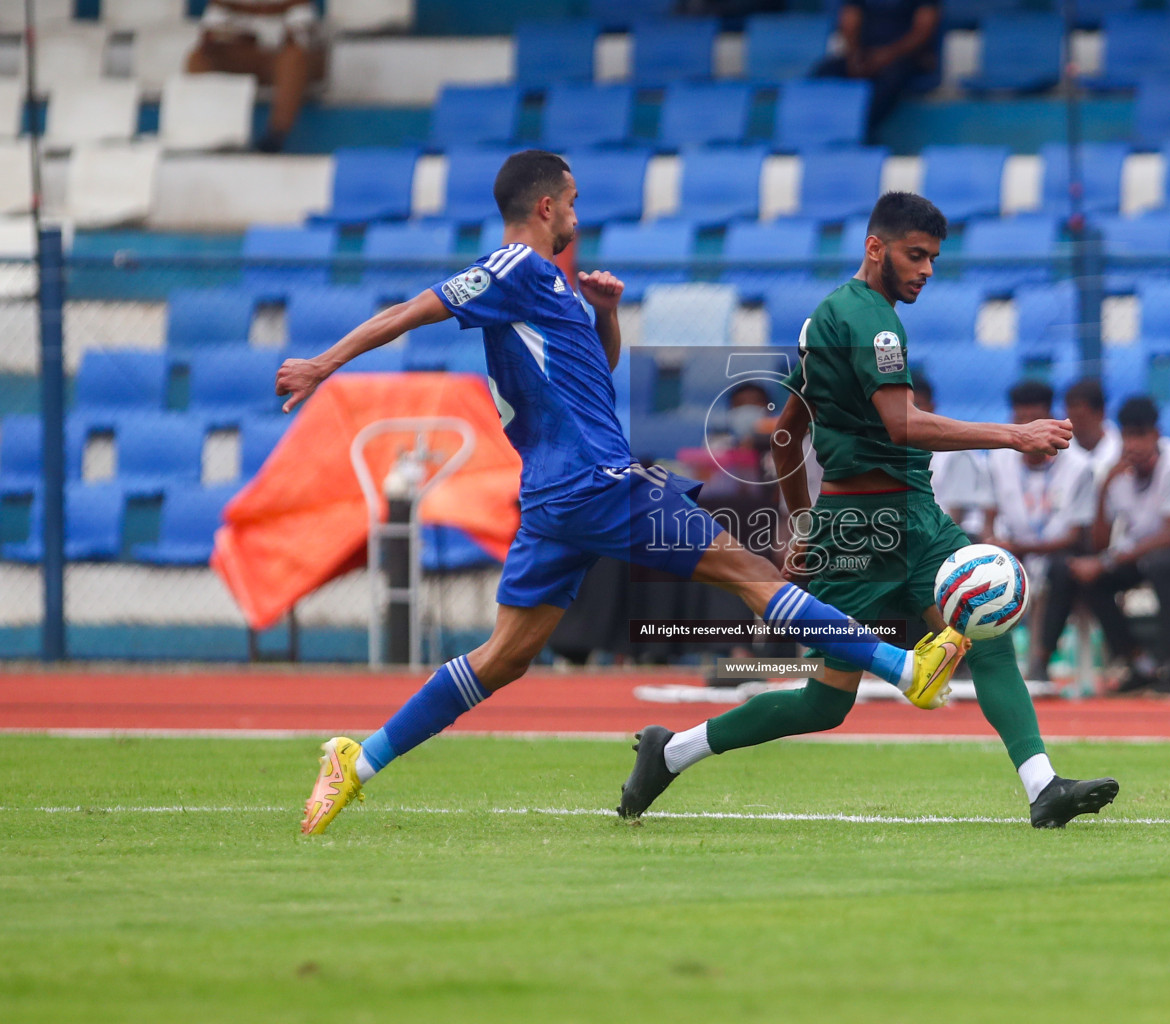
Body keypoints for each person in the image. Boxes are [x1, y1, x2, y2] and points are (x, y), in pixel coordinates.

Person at [282, 151, 973, 836]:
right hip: (596, 482)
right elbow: (414, 309)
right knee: (753, 573)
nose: (578, 216)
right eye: (573, 202)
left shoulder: (550, 288)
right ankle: (906, 667)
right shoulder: (513, 267)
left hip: (556, 499)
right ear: (546, 206)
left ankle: (358, 758)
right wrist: (323, 364)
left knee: (505, 657)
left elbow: (590, 373)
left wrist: (605, 315)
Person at [619, 192, 1119, 829]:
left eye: (934, 258)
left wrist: (802, 525)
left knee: (987, 633)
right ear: (874, 248)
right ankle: (673, 750)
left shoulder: (829, 318)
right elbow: (902, 424)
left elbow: (783, 435)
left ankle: (1043, 788)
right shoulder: (873, 323)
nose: (927, 270)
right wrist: (1014, 434)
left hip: (911, 519)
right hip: (865, 529)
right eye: (916, 255)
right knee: (825, 705)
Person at [1036, 395, 1170, 698]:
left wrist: (1105, 561)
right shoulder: (1117, 472)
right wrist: (1105, 489)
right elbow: (1100, 544)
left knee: (1160, 563)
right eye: (1128, 435)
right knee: (1091, 577)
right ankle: (1139, 665)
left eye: (1141, 435)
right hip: (1153, 556)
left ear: (1156, 434)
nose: (1134, 444)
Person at [981, 381, 1095, 689]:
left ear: (1050, 420)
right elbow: (988, 518)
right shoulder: (997, 459)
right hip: (1010, 551)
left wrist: (1021, 548)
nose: (1027, 428)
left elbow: (1076, 535)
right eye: (1020, 419)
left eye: (1034, 419)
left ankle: (1040, 661)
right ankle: (974, 660)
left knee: (1061, 568)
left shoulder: (1080, 465)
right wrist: (991, 544)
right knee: (971, 561)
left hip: (1054, 551)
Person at [186, 0, 323, 153]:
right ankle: (204, 132)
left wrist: (260, 30)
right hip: (243, 54)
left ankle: (276, 135)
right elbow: (210, 34)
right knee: (199, 58)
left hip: (280, 59)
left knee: (294, 58)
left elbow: (301, 35)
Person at [815, 0, 941, 141]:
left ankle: (857, 136)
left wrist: (886, 56)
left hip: (907, 58)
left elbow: (922, 30)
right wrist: (854, 56)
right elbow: (849, 21)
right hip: (864, 55)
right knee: (823, 74)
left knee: (888, 81)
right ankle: (812, 137)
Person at [920, 378, 995, 542]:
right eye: (905, 409)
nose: (911, 416)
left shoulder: (957, 454)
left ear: (931, 408)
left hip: (959, 536)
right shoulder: (896, 452)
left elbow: (956, 516)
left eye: (918, 407)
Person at [1063, 377, 1121, 478]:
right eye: (1070, 417)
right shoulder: (1058, 452)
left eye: (1080, 418)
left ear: (1101, 413)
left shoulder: (1120, 450)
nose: (1073, 424)